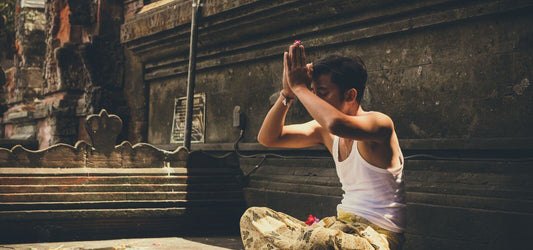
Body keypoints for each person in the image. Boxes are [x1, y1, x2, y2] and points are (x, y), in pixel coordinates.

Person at [239, 41, 406, 250]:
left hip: (375, 239)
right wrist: (288, 94)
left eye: (322, 93)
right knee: (254, 217)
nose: (314, 100)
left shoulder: (380, 123)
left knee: (318, 239)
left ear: (350, 95)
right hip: (337, 230)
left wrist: (301, 88)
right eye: (314, 92)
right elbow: (268, 138)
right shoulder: (324, 130)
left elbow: (336, 124)